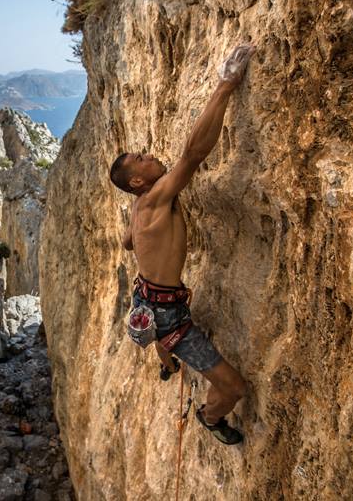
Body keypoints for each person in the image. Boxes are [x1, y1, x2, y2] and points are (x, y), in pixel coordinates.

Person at [109, 44, 255, 445]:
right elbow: (193, 153)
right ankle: (209, 418)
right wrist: (226, 84)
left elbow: (126, 242)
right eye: (142, 157)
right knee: (234, 389)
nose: (150, 153)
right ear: (138, 181)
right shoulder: (154, 197)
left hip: (147, 299)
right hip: (169, 316)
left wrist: (138, 238)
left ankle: (163, 356)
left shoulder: (140, 205)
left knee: (158, 328)